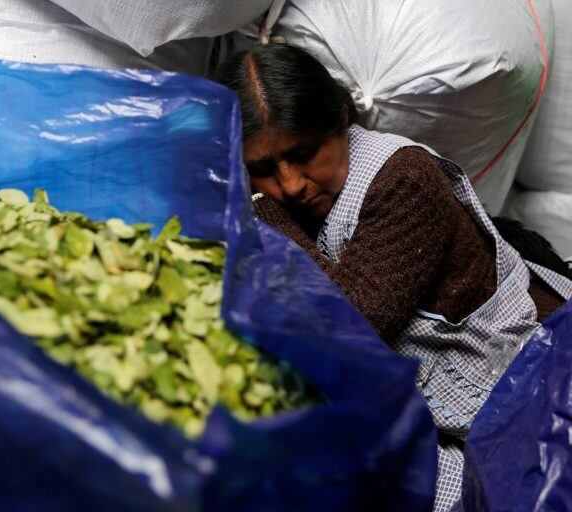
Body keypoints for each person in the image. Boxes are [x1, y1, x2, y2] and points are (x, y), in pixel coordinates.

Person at [215, 43, 572, 512]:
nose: (291, 184)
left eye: (305, 154)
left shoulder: (401, 179)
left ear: (341, 120)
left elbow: (347, 329)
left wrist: (261, 210)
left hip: (530, 386)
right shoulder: (291, 202)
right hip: (449, 413)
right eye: (261, 169)